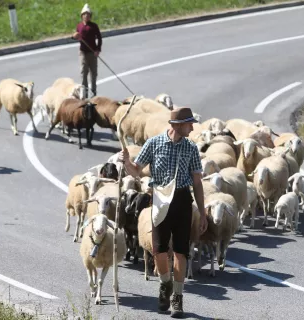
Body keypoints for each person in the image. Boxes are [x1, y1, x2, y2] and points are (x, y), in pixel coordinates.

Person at [119, 107, 208, 318]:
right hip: (159, 200)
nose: (192, 127)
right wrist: (126, 162)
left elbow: (197, 182)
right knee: (158, 250)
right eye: (189, 124)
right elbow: (136, 170)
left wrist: (203, 213)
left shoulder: (191, 148)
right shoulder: (154, 143)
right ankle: (165, 284)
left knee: (180, 251)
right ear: (178, 125)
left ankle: (177, 298)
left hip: (182, 201)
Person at [72, 3, 102, 98]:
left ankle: (93, 93)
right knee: (83, 73)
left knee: (94, 73)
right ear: (82, 16)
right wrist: (74, 36)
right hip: (83, 53)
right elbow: (75, 36)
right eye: (84, 14)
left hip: (93, 53)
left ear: (90, 16)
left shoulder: (94, 26)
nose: (86, 16)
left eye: (88, 14)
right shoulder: (79, 26)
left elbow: (99, 38)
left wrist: (98, 50)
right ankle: (84, 93)